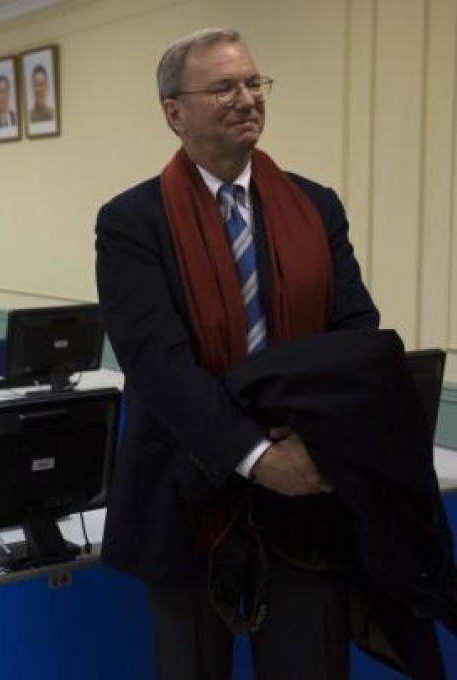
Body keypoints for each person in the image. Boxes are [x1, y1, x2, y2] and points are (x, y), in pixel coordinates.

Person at [94, 28, 384, 678]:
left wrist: (308, 442)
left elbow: (354, 332)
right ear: (175, 111)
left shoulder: (315, 206)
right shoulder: (132, 222)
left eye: (254, 83)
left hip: (307, 491)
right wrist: (255, 457)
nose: (246, 98)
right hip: (187, 496)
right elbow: (157, 366)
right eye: (224, 87)